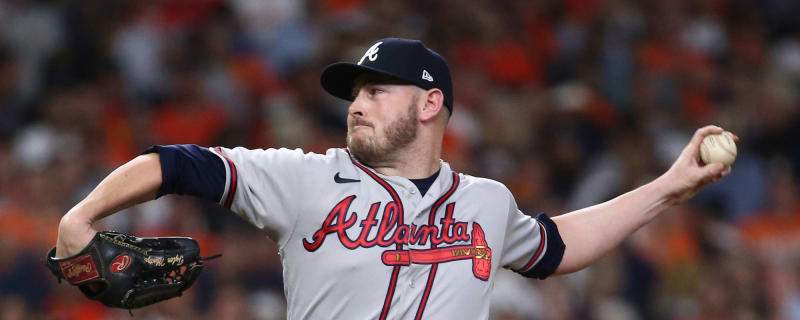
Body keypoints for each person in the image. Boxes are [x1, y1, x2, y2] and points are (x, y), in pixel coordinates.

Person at [54, 38, 734, 319]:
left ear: (430, 102)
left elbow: (556, 248)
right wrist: (81, 218)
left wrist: (669, 187)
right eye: (356, 92)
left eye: (379, 90)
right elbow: (175, 164)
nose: (357, 102)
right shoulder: (304, 180)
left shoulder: (488, 203)